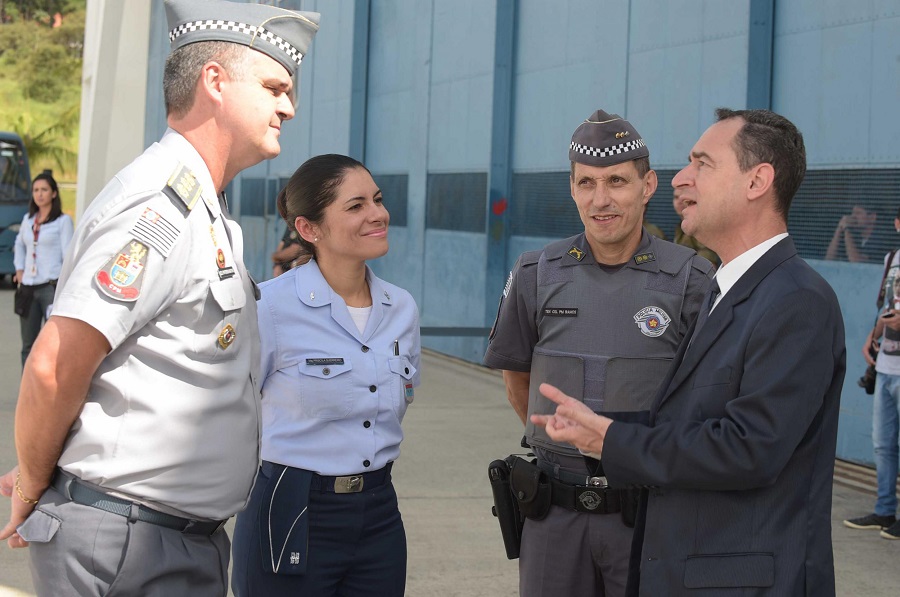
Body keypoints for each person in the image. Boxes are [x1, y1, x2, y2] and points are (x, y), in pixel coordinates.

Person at [0, 2, 319, 595]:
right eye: (274, 87)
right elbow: (52, 367)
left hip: (164, 540)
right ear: (215, 82)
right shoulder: (159, 208)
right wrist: (33, 484)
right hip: (127, 546)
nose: (288, 107)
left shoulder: (204, 207)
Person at [532, 108, 845, 596]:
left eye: (703, 164)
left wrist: (613, 441)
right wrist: (599, 426)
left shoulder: (796, 301)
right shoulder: (728, 290)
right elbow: (694, 419)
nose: (681, 178)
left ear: (757, 180)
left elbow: (749, 449)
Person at [483, 109, 713, 597]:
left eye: (617, 181)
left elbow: (705, 399)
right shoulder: (535, 274)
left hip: (649, 513)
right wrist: (565, 448)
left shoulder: (692, 280)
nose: (600, 199)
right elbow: (516, 382)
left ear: (648, 185)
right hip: (554, 517)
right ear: (572, 188)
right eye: (586, 183)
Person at [231, 154, 421, 596]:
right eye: (355, 206)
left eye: (377, 199)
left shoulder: (402, 309)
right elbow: (231, 411)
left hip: (379, 512)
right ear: (309, 229)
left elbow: (398, 404)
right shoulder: (271, 307)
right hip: (292, 507)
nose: (377, 214)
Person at [844, 216, 900, 540]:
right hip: (886, 366)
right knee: (883, 444)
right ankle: (884, 511)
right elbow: (886, 307)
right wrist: (872, 334)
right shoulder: (891, 259)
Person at [12, 171, 74, 366]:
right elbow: (20, 244)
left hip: (50, 287)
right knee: (28, 345)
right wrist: (19, 269)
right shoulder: (28, 220)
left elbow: (67, 254)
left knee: (51, 344)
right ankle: (27, 394)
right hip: (28, 288)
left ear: (54, 194)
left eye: (44, 190)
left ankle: (49, 392)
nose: (39, 194)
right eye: (36, 190)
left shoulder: (62, 222)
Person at [672, 192, 718, 267]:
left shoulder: (700, 227)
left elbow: (708, 266)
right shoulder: (680, 227)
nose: (679, 202)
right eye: (676, 197)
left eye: (683, 198)